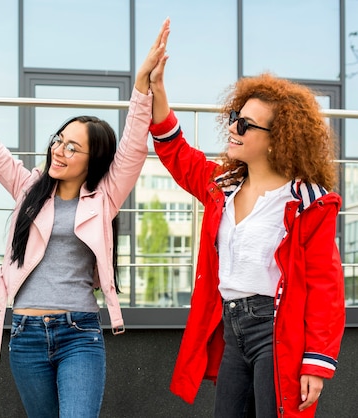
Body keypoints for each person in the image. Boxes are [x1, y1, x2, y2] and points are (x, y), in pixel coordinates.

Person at [0, 20, 170, 418]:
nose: (59, 150)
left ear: (93, 160)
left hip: (79, 333)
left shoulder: (105, 198)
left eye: (72, 147)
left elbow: (136, 144)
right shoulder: (27, 187)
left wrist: (143, 83)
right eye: (58, 140)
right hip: (26, 335)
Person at [148, 44, 345, 417]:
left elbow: (326, 287)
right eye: (235, 116)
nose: (233, 127)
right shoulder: (222, 186)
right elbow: (178, 154)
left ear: (278, 139)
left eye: (245, 124)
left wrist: (316, 365)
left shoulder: (308, 203)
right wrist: (157, 89)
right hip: (231, 327)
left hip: (276, 330)